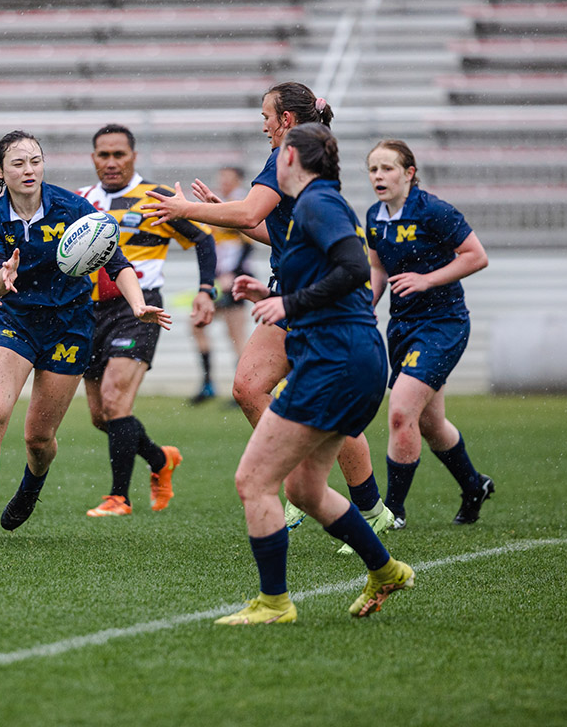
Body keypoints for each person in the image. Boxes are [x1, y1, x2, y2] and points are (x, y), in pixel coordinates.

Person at [143, 82, 395, 547]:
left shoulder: (291, 161)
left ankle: (369, 508)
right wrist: (222, 211)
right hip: (289, 296)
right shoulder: (290, 161)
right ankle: (307, 484)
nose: (262, 124)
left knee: (332, 415)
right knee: (248, 387)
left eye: (267, 115)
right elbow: (267, 228)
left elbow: (250, 217)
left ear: (288, 122)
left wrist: (187, 209)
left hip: (317, 305)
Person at [216, 123, 414, 625]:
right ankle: (385, 570)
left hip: (335, 362)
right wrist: (272, 297)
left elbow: (354, 270)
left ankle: (274, 603)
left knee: (253, 481)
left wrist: (290, 301)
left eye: (278, 151)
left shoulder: (316, 203)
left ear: (291, 161)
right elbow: (336, 281)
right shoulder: (317, 204)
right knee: (304, 490)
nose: (272, 157)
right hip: (351, 358)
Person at [0, 130, 171, 547]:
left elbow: (117, 263)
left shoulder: (73, 208)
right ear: (0, 171)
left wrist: (137, 305)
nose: (29, 170)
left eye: (35, 161)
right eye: (18, 163)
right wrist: (0, 277)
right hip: (16, 322)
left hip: (70, 326)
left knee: (38, 438)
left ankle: (32, 485)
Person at [74, 124, 217, 518]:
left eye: (120, 154)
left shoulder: (158, 198)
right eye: (104, 155)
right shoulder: (80, 201)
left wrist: (206, 290)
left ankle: (119, 497)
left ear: (134, 156)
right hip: (89, 312)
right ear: (93, 159)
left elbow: (204, 240)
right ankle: (160, 459)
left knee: (116, 400)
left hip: (139, 308)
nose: (112, 162)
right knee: (102, 417)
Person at [366, 140, 493, 528]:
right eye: (372, 170)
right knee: (429, 423)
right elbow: (377, 269)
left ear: (409, 173)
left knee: (402, 410)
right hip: (402, 326)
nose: (378, 176)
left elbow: (476, 255)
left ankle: (392, 512)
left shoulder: (433, 210)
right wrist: (361, 307)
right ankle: (474, 486)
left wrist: (426, 280)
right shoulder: (374, 215)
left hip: (443, 323)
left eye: (387, 168)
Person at [189, 165, 253, 406]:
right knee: (196, 324)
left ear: (238, 180)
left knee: (235, 334)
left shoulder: (241, 204)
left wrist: (232, 274)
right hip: (218, 280)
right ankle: (208, 384)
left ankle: (244, 388)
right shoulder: (219, 203)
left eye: (228, 178)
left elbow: (248, 244)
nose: (223, 181)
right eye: (221, 177)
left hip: (235, 279)